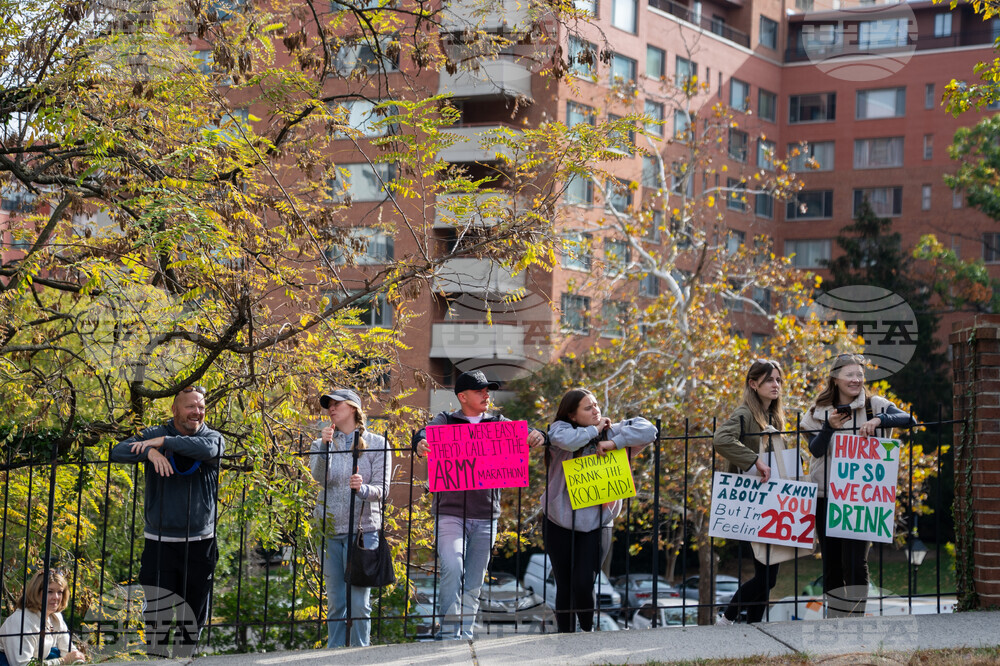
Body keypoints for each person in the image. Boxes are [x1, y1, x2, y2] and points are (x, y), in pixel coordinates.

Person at [412, 370, 545, 640]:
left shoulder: (498, 422)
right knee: (452, 566)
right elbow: (423, 432)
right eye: (480, 390)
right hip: (450, 513)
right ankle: (449, 633)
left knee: (474, 578)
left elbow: (527, 431)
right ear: (462, 397)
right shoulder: (446, 420)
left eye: (488, 390)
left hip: (486, 516)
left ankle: (466, 632)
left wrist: (537, 435)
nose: (486, 394)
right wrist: (420, 442)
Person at [110, 385, 224, 657]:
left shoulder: (212, 437)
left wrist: (163, 443)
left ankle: (184, 659)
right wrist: (149, 452)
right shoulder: (153, 434)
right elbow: (118, 451)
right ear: (174, 409)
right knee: (158, 612)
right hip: (160, 543)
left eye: (201, 407)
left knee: (194, 611)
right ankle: (156, 659)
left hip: (200, 543)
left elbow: (209, 450)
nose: (197, 412)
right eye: (190, 406)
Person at [800, 353, 916, 618]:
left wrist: (879, 420)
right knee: (832, 565)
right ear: (835, 378)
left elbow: (909, 419)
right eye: (849, 375)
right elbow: (816, 451)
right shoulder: (817, 412)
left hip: (861, 498)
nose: (855, 380)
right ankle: (835, 619)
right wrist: (829, 428)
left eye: (860, 375)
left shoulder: (875, 405)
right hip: (825, 496)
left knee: (855, 564)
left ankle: (856, 621)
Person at [542, 388, 656, 633]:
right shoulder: (560, 431)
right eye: (588, 407)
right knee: (564, 585)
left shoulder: (611, 431)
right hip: (558, 521)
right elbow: (567, 441)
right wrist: (594, 431)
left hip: (598, 522)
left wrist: (614, 442)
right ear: (572, 415)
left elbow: (650, 430)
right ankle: (566, 638)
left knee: (583, 583)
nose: (596, 410)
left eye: (596, 405)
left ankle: (586, 633)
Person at [310, 388, 391, 648]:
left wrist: (363, 489)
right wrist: (325, 446)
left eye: (337, 404)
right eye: (328, 405)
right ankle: (333, 655)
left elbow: (383, 490)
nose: (331, 409)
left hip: (362, 532)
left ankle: (360, 655)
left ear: (354, 408)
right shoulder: (321, 442)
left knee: (359, 604)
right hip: (330, 529)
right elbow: (320, 478)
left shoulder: (378, 443)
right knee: (335, 601)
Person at [712, 359, 788, 625]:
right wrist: (754, 460)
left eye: (778, 379)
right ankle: (727, 618)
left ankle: (755, 626)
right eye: (769, 380)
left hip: (774, 501)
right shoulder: (745, 414)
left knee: (768, 575)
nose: (776, 384)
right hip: (751, 502)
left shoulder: (774, 416)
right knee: (766, 576)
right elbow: (721, 439)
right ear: (753, 384)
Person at [0, 570, 86, 666]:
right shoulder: (20, 620)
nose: (56, 597)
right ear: (36, 592)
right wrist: (62, 661)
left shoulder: (56, 617)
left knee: (54, 653)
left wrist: (77, 657)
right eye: (50, 592)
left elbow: (69, 651)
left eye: (60, 592)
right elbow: (22, 664)